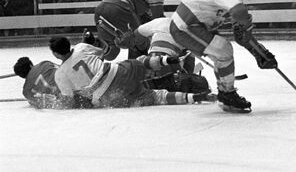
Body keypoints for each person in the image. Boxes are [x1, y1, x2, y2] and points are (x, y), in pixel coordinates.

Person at [169, 0, 278, 113]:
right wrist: (245, 22)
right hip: (186, 24)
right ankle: (227, 94)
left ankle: (225, 93)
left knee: (222, 52)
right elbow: (239, 13)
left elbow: (241, 37)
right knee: (223, 50)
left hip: (190, 24)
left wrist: (260, 52)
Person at [48, 35, 213, 109]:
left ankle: (193, 98)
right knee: (142, 62)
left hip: (107, 96)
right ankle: (167, 60)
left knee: (157, 97)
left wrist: (54, 104)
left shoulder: (60, 74)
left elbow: (68, 100)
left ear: (55, 54)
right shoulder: (81, 47)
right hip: (118, 72)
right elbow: (103, 53)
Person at [94, 0, 166, 60]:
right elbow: (158, 18)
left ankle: (90, 60)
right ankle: (138, 70)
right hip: (120, 9)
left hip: (100, 9)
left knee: (111, 51)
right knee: (140, 41)